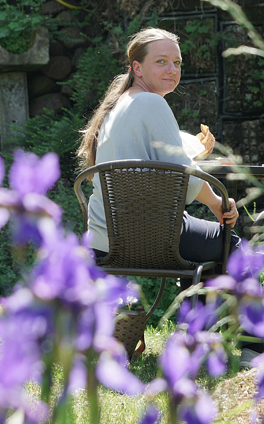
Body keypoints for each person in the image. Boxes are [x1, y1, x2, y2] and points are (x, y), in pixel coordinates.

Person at [77, 27, 241, 265]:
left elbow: (163, 148)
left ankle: (195, 291)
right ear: (137, 68)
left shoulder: (119, 104)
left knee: (203, 247)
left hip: (103, 240)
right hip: (150, 237)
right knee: (231, 244)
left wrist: (197, 147)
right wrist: (218, 203)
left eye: (177, 62)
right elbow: (186, 175)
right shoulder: (151, 102)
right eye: (161, 61)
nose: (172, 69)